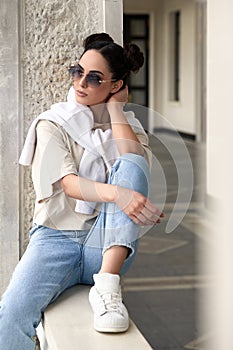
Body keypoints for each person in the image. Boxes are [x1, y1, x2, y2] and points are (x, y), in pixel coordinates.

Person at [0, 33, 163, 349]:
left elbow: (135, 166)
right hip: (55, 238)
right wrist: (118, 194)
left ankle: (106, 285)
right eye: (78, 71)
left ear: (115, 86)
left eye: (95, 78)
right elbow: (68, 184)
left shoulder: (127, 126)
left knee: (131, 162)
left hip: (105, 244)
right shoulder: (52, 123)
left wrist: (116, 112)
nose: (81, 82)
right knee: (8, 316)